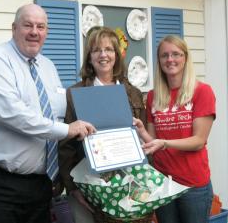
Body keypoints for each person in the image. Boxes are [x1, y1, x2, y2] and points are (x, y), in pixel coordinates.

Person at [0, 3, 95, 223]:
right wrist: (67, 130)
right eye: (28, 25)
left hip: (38, 186)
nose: (35, 32)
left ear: (46, 32)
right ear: (14, 28)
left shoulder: (48, 67)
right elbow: (12, 114)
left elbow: (59, 115)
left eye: (41, 26)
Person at [58, 26, 146, 223]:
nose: (103, 55)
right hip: (89, 189)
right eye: (97, 50)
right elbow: (66, 147)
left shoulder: (133, 94)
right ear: (89, 57)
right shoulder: (76, 93)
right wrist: (72, 188)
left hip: (130, 187)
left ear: (117, 55)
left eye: (109, 49)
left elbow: (144, 139)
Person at [133, 35, 216, 223]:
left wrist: (165, 143)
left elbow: (198, 141)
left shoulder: (202, 92)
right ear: (159, 60)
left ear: (185, 58)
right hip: (163, 183)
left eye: (176, 54)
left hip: (193, 185)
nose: (170, 59)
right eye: (164, 55)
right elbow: (153, 141)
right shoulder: (154, 95)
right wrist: (141, 131)